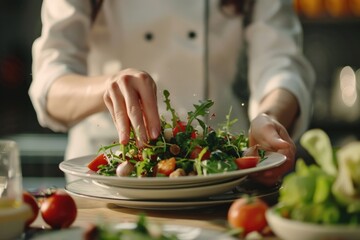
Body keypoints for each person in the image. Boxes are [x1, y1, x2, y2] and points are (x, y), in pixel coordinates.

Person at [29, 0, 315, 186]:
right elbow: (49, 84)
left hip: (221, 169)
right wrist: (105, 86)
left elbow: (281, 63)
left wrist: (269, 116)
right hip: (111, 176)